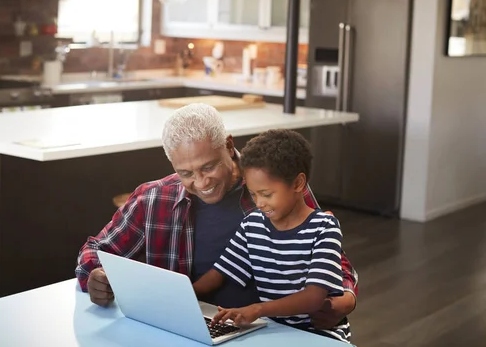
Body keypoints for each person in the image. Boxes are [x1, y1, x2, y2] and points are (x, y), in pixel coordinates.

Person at [75, 103, 358, 329]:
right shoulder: (153, 199)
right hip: (193, 326)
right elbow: (95, 250)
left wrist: (345, 301)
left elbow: (330, 256)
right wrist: (95, 276)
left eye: (208, 167)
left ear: (228, 145)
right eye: (186, 173)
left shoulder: (275, 185)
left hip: (271, 328)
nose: (201, 182)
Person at [192, 128, 351, 343]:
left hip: (319, 334)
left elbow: (314, 297)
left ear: (297, 184)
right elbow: (220, 273)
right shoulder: (252, 224)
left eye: (266, 194)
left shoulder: (324, 228)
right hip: (271, 330)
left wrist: (257, 309)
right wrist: (184, 295)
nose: (259, 203)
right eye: (253, 194)